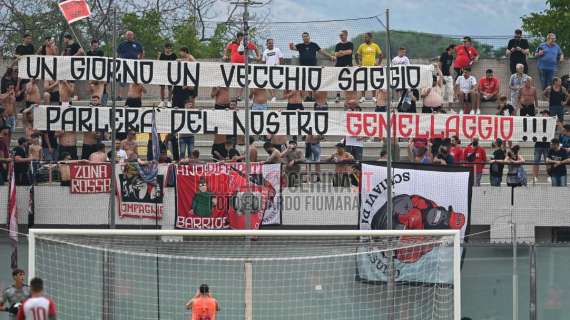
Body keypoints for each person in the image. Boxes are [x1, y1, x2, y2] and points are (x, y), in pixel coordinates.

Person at [289, 32, 334, 101]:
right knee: (306, 82)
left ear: (309, 37)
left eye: (306, 36)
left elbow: (321, 51)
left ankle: (314, 97)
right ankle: (309, 97)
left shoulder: (314, 45)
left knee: (313, 82)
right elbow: (293, 48)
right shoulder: (300, 45)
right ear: (302, 38)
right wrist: (291, 46)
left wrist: (330, 56)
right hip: (304, 68)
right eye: (303, 37)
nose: (305, 37)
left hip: (313, 67)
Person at [356, 32, 383, 101]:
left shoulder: (375, 46)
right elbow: (356, 55)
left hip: (372, 67)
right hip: (364, 67)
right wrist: (358, 63)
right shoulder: (362, 46)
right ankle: (362, 97)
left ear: (370, 38)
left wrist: (378, 64)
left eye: (366, 37)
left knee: (372, 82)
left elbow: (381, 55)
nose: (365, 38)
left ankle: (373, 97)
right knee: (363, 82)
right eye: (364, 37)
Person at [117, 31, 144, 99]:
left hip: (134, 65)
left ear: (133, 36)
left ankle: (135, 96)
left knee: (135, 80)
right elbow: (118, 53)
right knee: (122, 80)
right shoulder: (122, 44)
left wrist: (140, 60)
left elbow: (142, 52)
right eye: (128, 35)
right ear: (126, 36)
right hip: (124, 64)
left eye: (130, 35)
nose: (129, 36)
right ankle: (120, 96)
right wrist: (119, 60)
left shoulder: (137, 44)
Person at [334, 30, 354, 102]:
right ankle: (337, 96)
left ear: (346, 35)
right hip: (339, 66)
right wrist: (344, 53)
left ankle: (348, 97)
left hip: (348, 66)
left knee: (348, 82)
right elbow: (336, 54)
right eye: (340, 35)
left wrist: (342, 52)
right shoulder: (338, 45)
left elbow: (350, 51)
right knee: (338, 81)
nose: (341, 37)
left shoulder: (350, 44)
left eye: (342, 35)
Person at [158, 43, 177, 108]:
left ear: (171, 48)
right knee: (162, 87)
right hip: (163, 73)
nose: (168, 49)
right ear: (164, 48)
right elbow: (158, 63)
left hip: (171, 74)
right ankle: (162, 101)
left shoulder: (174, 55)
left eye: (169, 48)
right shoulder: (162, 55)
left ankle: (169, 101)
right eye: (166, 48)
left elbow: (176, 64)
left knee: (170, 88)